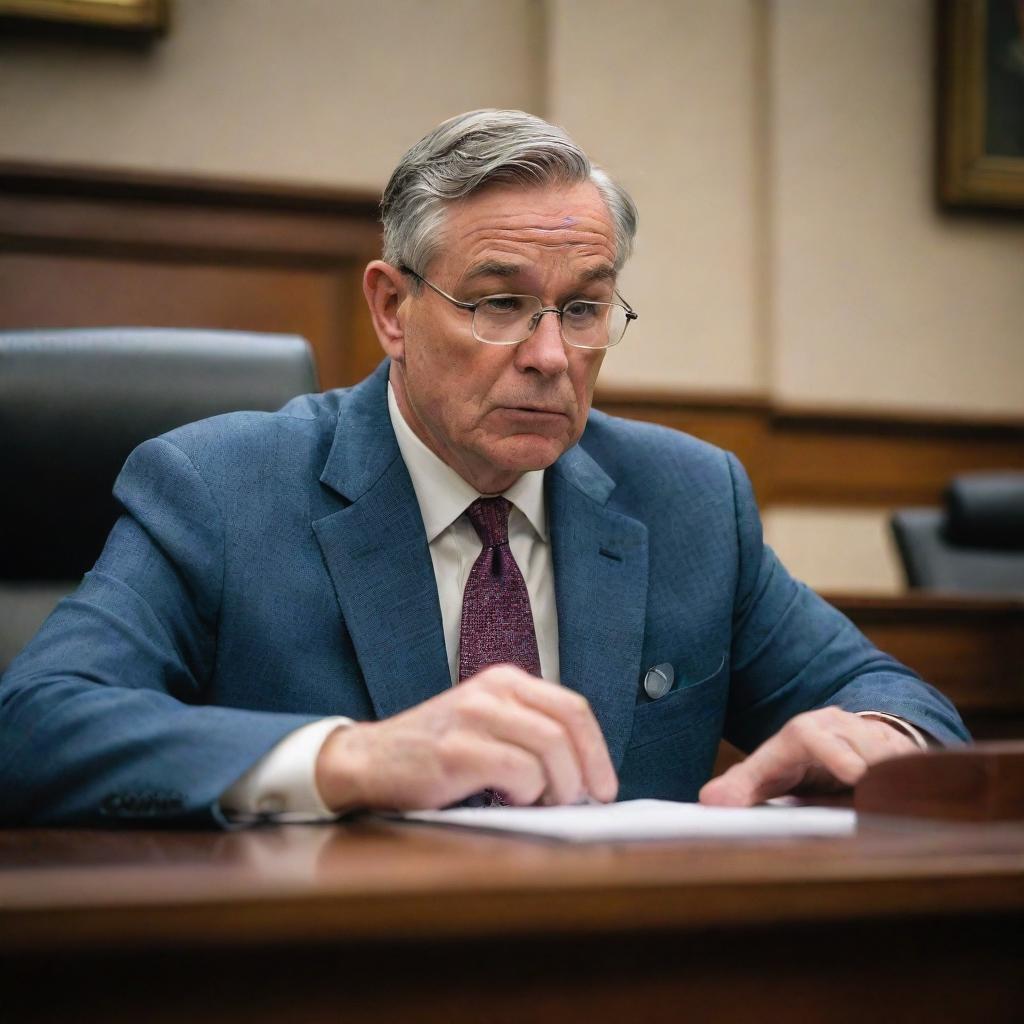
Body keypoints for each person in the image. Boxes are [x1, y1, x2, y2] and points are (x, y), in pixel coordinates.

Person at [0, 110, 967, 827]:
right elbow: (34, 727)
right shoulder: (220, 489)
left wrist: (881, 742)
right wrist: (348, 760)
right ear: (391, 309)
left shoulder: (688, 501)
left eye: (584, 311)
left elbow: (912, 708)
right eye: (500, 304)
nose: (550, 355)